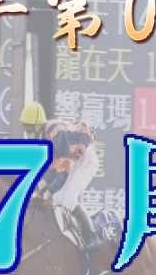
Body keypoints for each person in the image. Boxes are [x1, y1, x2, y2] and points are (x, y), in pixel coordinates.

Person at [19, 101, 99, 249]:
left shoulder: (56, 136)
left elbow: (62, 172)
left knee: (67, 199)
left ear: (38, 126)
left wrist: (47, 192)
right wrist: (40, 189)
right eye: (26, 129)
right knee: (56, 198)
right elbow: (51, 171)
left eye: (30, 129)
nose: (28, 134)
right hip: (73, 159)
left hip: (85, 159)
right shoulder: (45, 138)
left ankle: (91, 236)